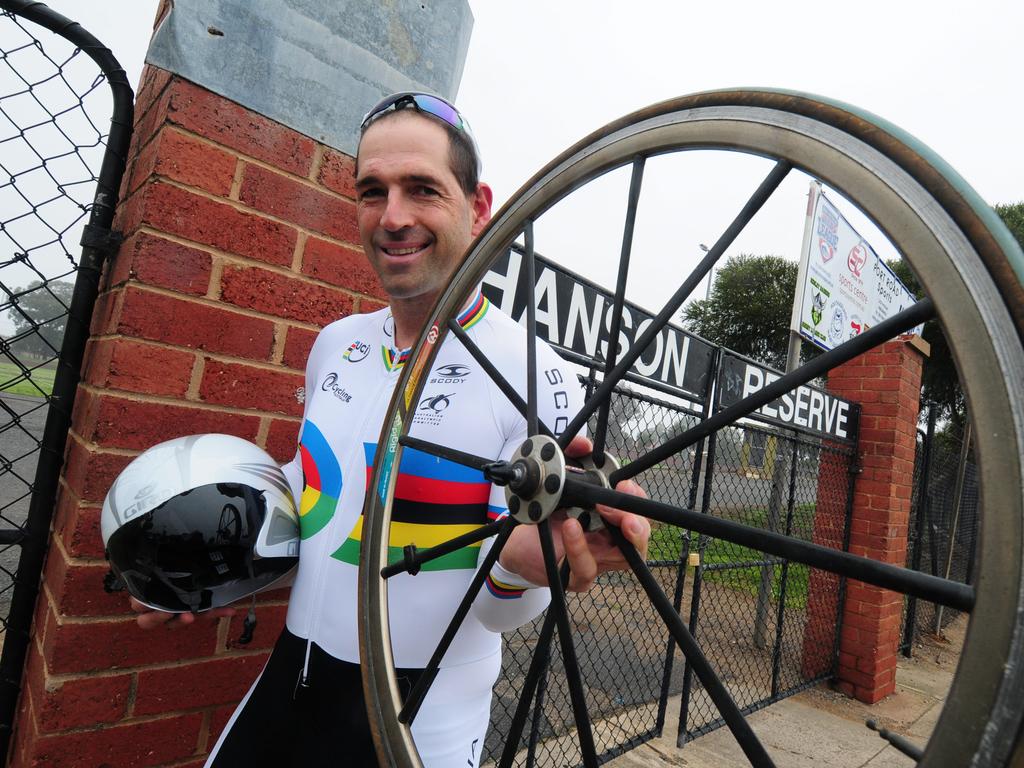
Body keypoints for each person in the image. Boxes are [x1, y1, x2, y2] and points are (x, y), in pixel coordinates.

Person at [130, 92, 650, 767]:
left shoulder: (533, 371)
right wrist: (199, 564)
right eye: (372, 192)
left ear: (480, 206)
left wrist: (522, 572)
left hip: (421, 720)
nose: (393, 217)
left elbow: (499, 614)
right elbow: (315, 495)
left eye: (422, 189)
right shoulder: (335, 343)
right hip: (288, 683)